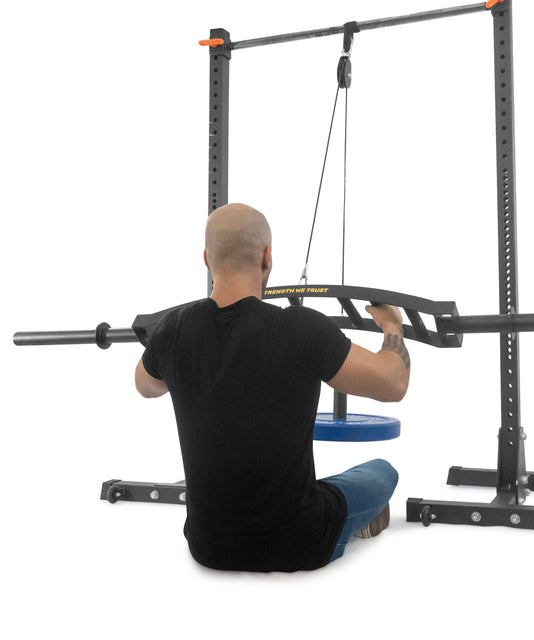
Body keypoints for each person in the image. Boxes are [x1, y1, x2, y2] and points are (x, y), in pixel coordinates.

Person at [135, 203, 411, 572]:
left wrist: (177, 356)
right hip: (301, 543)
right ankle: (348, 516)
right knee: (382, 471)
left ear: (206, 259)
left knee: (318, 485)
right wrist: (393, 326)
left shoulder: (174, 330)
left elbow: (145, 386)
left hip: (209, 547)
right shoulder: (299, 329)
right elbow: (394, 382)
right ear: (266, 256)